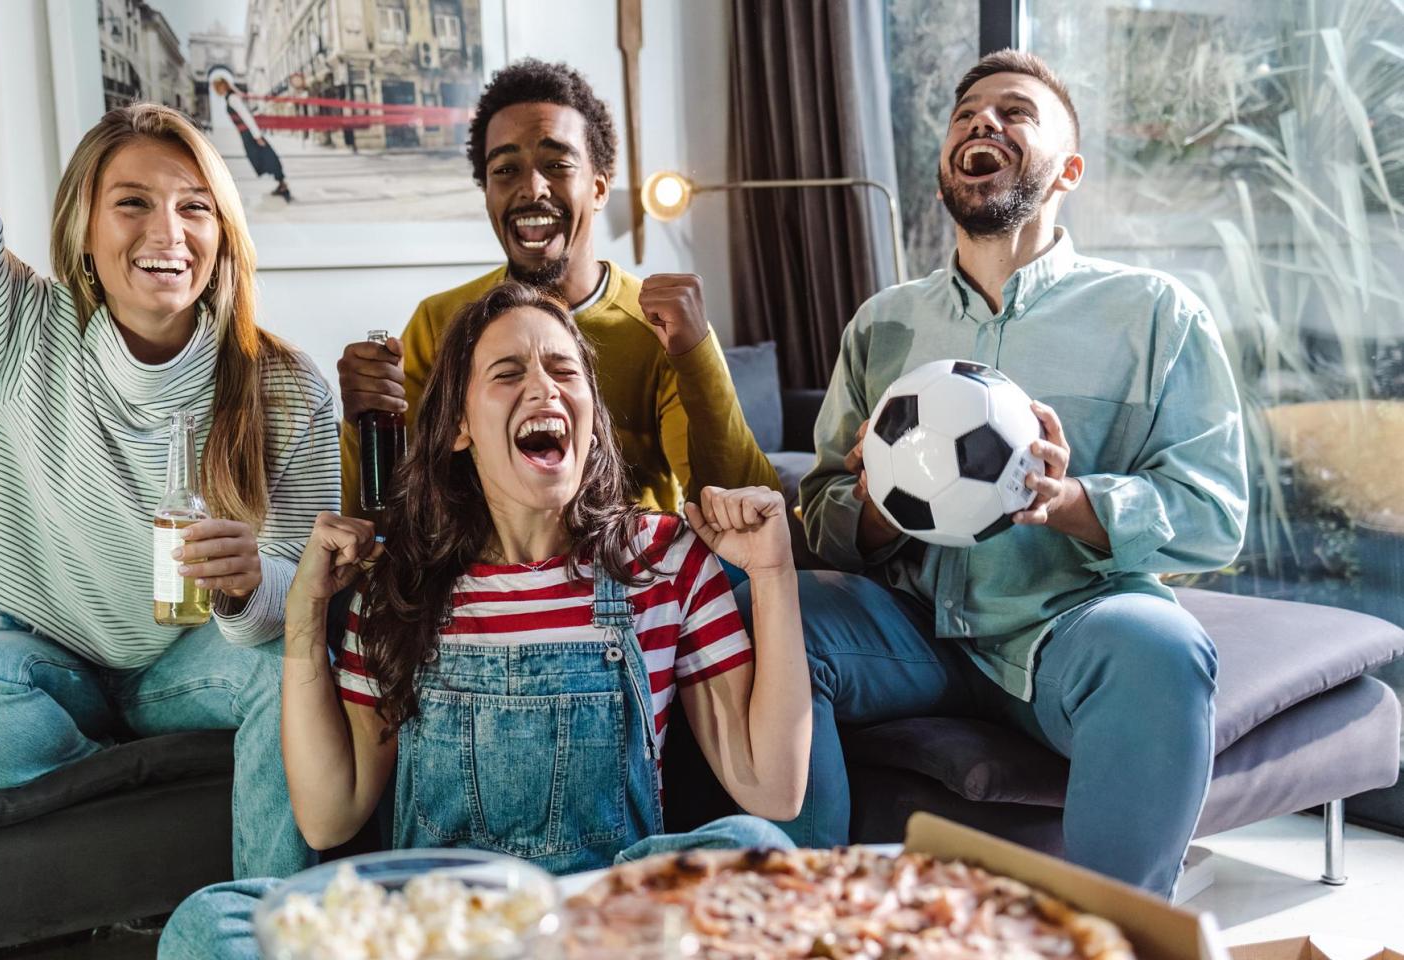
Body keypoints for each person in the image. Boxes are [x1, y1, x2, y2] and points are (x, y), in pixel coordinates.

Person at [158, 281, 811, 959]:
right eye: (508, 373)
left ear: (591, 410)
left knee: (755, 851)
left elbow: (774, 787)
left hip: (597, 928)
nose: (545, 389)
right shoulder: (399, 583)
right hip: (440, 932)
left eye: (564, 370)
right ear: (461, 426)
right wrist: (305, 615)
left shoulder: (663, 561)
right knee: (212, 920)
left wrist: (772, 574)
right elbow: (330, 811)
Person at [0, 0, 339, 880]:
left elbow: (303, 608)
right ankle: (121, 781)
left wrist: (246, 583)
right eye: (132, 204)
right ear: (84, 229)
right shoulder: (21, 331)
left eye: (195, 207)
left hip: (192, 665)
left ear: (223, 235)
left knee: (294, 676)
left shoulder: (285, 387)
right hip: (46, 662)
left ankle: (269, 918)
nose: (167, 232)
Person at [795, 50, 1248, 897]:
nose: (982, 123)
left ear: (1068, 169)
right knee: (771, 616)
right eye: (966, 114)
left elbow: (1214, 512)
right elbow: (820, 507)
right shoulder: (883, 324)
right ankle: (809, 915)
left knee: (1161, 647)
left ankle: (1119, 939)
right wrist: (877, 508)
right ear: (942, 176)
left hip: (1068, 628)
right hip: (912, 626)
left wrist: (1071, 501)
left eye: (1014, 112)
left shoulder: (1156, 315)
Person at [336, 59, 778, 519]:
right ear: (486, 192)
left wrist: (696, 355)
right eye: (505, 170)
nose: (532, 188)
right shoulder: (439, 321)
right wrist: (364, 419)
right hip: (481, 584)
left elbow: (746, 507)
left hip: (631, 576)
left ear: (600, 187)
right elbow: (382, 519)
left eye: (557, 164)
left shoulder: (660, 328)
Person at [210, 71, 292, 203]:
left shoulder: (232, 98)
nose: (215, 90)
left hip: (249, 134)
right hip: (246, 134)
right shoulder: (230, 97)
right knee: (261, 156)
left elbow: (246, 116)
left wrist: (257, 135)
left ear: (221, 86)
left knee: (266, 156)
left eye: (216, 87)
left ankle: (283, 185)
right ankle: (281, 183)